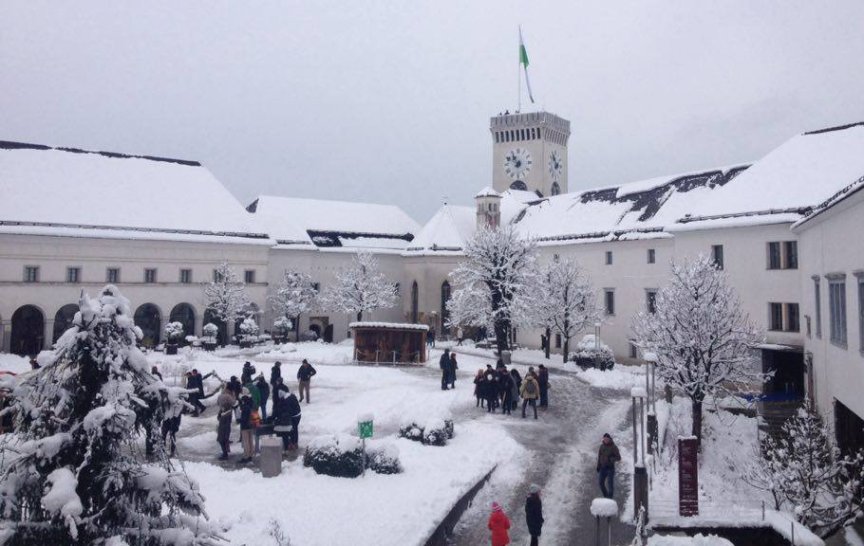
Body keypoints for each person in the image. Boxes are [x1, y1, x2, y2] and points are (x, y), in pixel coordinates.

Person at [273, 382, 302, 450]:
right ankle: (295, 443)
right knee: (295, 429)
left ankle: (292, 444)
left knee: (292, 430)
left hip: (293, 416)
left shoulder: (286, 400)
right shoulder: (291, 395)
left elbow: (287, 410)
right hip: (298, 414)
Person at [597, 433, 621, 499]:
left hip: (610, 468)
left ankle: (610, 499)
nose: (605, 440)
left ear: (609, 439)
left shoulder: (614, 447)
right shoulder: (601, 446)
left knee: (610, 485)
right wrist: (598, 466)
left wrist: (611, 459)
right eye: (604, 439)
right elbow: (599, 457)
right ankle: (606, 496)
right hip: (602, 468)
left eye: (607, 439)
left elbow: (618, 457)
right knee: (600, 483)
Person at [216, 386, 236, 460]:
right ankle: (226, 452)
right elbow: (234, 403)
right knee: (225, 434)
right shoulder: (229, 396)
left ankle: (225, 452)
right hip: (228, 416)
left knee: (222, 435)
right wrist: (233, 396)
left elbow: (217, 403)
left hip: (222, 416)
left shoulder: (220, 396)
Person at [237, 388, 255, 464]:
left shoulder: (245, 407)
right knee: (250, 440)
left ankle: (246, 456)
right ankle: (251, 455)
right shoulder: (250, 404)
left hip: (245, 426)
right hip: (251, 425)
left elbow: (244, 418)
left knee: (246, 442)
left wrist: (239, 420)